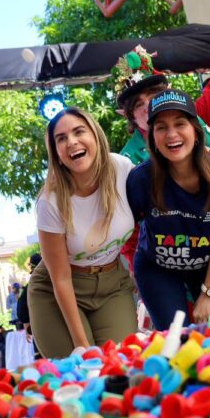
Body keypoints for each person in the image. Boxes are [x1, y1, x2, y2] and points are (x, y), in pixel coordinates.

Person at [127, 89, 210, 329]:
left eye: (180, 123)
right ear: (152, 136)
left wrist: (209, 293)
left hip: (207, 266)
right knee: (175, 338)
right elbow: (127, 232)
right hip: (157, 269)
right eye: (161, 127)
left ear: (195, 129)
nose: (171, 134)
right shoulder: (140, 179)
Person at [28, 108, 137, 358]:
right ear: (56, 152)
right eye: (61, 138)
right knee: (79, 371)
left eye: (79, 132)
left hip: (112, 285)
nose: (72, 142)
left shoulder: (120, 167)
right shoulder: (50, 201)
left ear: (95, 135)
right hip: (59, 290)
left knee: (120, 364)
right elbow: (61, 279)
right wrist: (82, 346)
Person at [113, 7, 210, 165]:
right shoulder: (127, 160)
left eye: (153, 97)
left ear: (166, 95)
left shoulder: (193, 118)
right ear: (130, 116)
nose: (148, 106)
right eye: (138, 105)